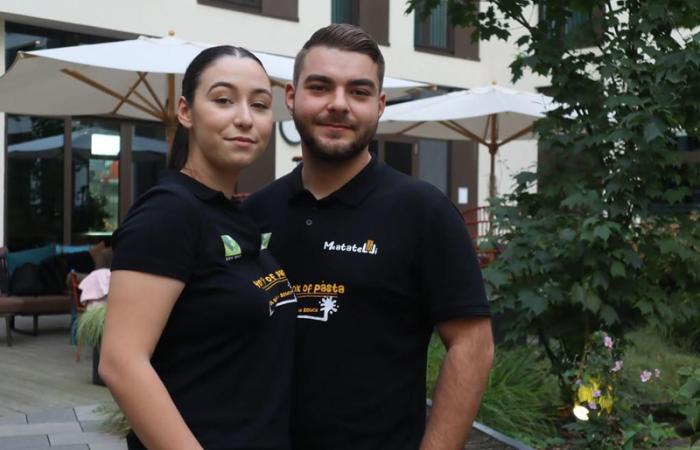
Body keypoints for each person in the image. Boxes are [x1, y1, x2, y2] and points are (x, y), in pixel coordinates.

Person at [243, 24, 494, 450]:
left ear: (379, 105)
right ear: (291, 96)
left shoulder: (423, 212)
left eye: (358, 92)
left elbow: (472, 346)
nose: (338, 104)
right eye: (320, 87)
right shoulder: (254, 214)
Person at [99, 45, 297, 450]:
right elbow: (121, 363)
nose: (245, 118)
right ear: (186, 112)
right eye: (223, 100)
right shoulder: (168, 212)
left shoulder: (232, 213)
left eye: (260, 104)